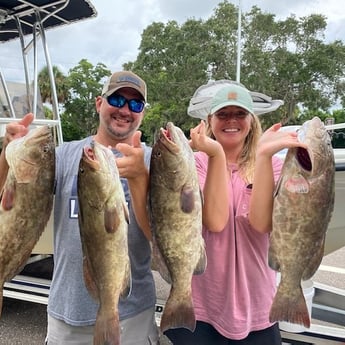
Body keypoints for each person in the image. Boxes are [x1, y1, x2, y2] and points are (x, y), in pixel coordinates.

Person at [0, 71, 159, 345]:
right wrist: (8, 152)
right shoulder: (62, 155)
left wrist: (140, 179)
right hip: (67, 314)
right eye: (117, 99)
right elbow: (9, 195)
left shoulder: (154, 161)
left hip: (133, 315)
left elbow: (160, 240)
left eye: (135, 104)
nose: (124, 110)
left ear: (143, 113)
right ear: (99, 103)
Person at [165, 83, 307, 345]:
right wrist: (214, 153)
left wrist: (264, 156)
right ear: (209, 121)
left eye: (240, 114)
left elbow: (262, 223)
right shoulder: (193, 164)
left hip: (259, 308)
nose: (231, 121)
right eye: (223, 114)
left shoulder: (275, 166)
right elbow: (215, 222)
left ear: (251, 121)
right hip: (200, 307)